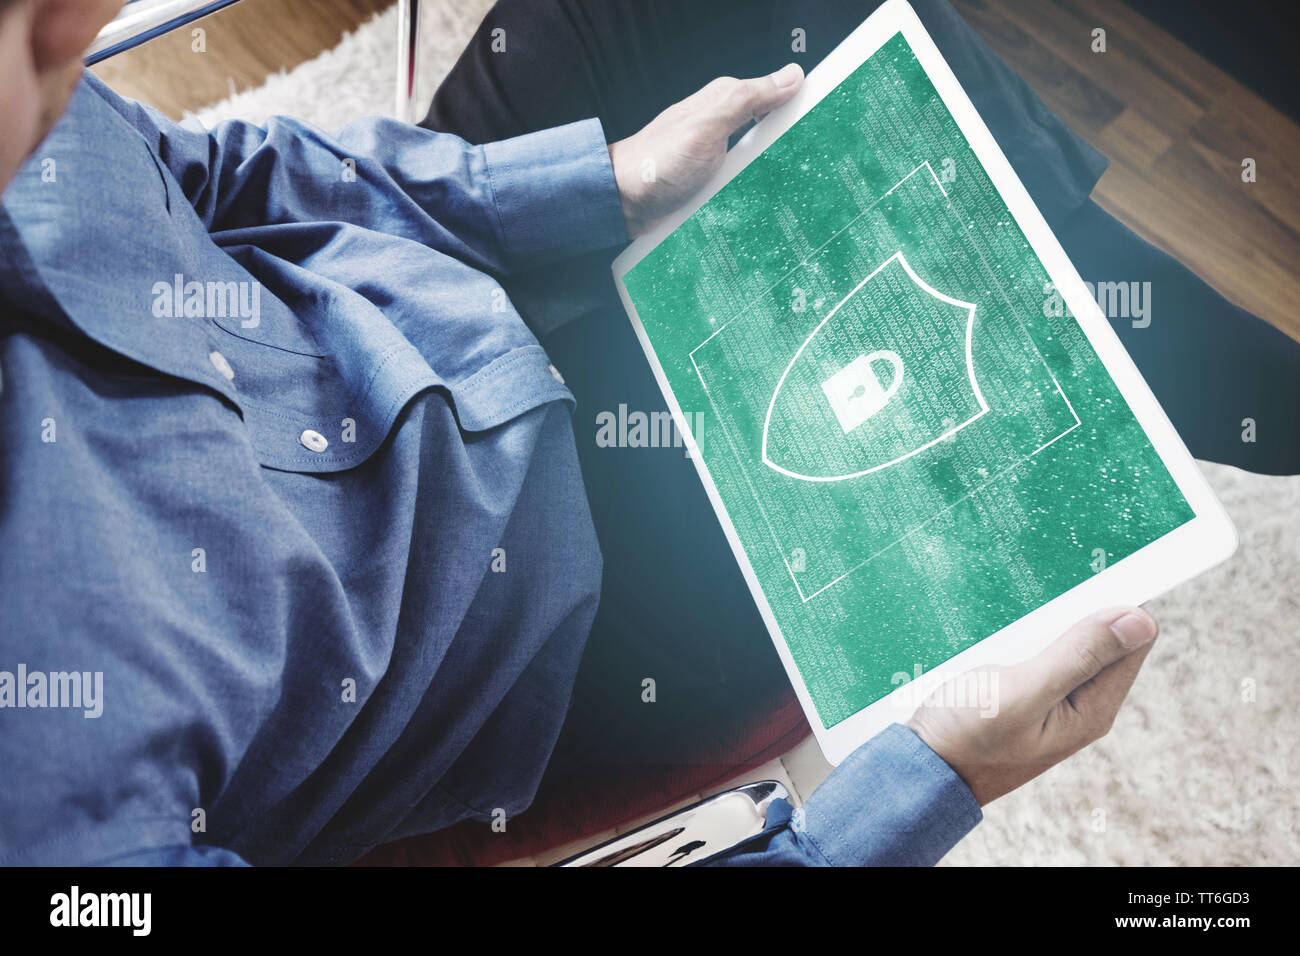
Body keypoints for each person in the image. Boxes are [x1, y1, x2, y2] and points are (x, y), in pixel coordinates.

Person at [0, 0, 1278, 867]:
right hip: (540, 627)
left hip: (424, 261)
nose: (78, 18)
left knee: (863, 99)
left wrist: (589, 183)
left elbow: (206, 175)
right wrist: (925, 785)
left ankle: (1075, 239)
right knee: (1020, 386)